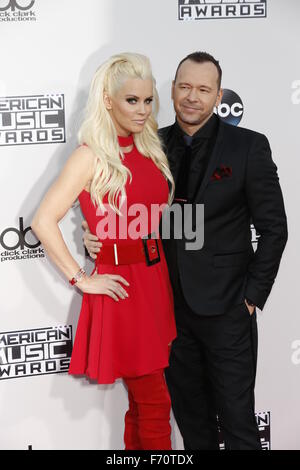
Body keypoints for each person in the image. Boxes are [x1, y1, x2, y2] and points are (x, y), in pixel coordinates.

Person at [84, 51, 288, 450]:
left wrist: (250, 299)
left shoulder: (248, 147)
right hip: (167, 311)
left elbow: (274, 230)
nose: (192, 96)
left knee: (238, 423)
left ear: (218, 97)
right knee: (193, 425)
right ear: (172, 90)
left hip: (228, 309)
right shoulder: (149, 144)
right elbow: (134, 216)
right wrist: (99, 239)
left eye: (203, 89)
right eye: (184, 87)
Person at [31, 52, 177, 450]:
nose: (143, 110)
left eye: (148, 100)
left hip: (154, 281)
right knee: (154, 401)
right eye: (133, 100)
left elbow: (145, 216)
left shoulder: (149, 147)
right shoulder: (90, 155)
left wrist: (101, 232)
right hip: (123, 288)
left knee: (142, 402)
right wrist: (81, 278)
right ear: (108, 101)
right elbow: (43, 221)